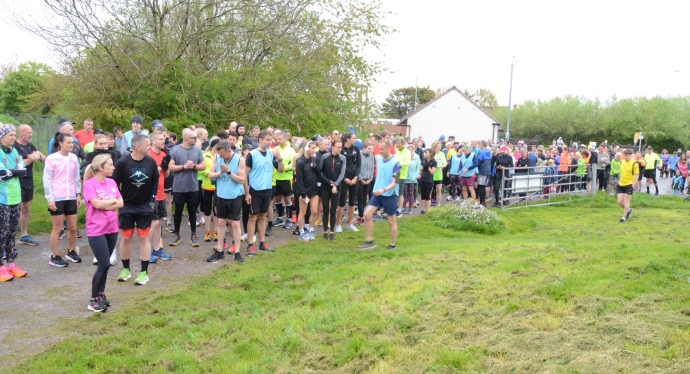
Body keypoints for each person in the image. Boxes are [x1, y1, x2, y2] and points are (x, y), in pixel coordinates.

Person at [112, 134, 160, 286]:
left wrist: (151, 201)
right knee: (125, 238)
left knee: (144, 238)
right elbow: (114, 184)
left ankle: (144, 273)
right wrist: (118, 201)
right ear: (138, 147)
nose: (150, 148)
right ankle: (126, 270)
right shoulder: (122, 162)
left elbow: (155, 182)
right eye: (147, 145)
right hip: (127, 206)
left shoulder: (151, 162)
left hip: (144, 207)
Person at [82, 154, 123, 312]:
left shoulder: (112, 182)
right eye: (110, 165)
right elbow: (96, 204)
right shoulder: (89, 185)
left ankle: (101, 295)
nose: (113, 168)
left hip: (112, 228)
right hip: (96, 229)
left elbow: (121, 202)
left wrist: (108, 204)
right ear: (100, 167)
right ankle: (93, 300)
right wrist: (111, 203)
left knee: (105, 266)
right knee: (104, 263)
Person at [44, 133, 82, 267]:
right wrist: (50, 199)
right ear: (60, 143)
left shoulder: (74, 158)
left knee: (73, 227)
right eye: (69, 142)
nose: (72, 145)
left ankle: (71, 251)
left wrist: (78, 194)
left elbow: (76, 177)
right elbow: (47, 179)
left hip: (71, 196)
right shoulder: (52, 159)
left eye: (73, 143)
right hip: (57, 197)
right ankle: (54, 256)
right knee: (58, 227)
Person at [244, 130, 283, 255]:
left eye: (271, 139)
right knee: (253, 217)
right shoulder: (253, 155)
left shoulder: (271, 154)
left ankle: (262, 242)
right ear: (260, 140)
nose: (270, 142)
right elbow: (244, 174)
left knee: (262, 216)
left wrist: (280, 159)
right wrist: (247, 193)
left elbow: (281, 171)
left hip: (268, 189)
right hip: (255, 190)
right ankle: (250, 244)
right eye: (267, 139)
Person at [206, 140, 246, 262]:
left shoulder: (240, 159)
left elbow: (241, 180)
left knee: (234, 223)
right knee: (221, 222)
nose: (221, 157)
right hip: (221, 195)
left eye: (223, 154)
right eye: (220, 154)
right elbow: (210, 175)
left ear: (229, 151)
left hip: (234, 196)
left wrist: (228, 172)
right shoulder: (217, 156)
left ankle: (237, 252)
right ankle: (219, 251)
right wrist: (221, 172)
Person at [358, 140, 401, 250]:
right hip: (377, 193)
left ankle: (392, 244)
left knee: (391, 221)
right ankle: (369, 241)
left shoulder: (396, 163)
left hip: (390, 194)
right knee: (367, 215)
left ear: (388, 148)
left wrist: (383, 190)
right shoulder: (378, 158)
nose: (380, 151)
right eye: (379, 149)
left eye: (382, 149)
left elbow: (395, 182)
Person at [0, 124, 29, 282]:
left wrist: (12, 171)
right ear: (2, 136)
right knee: (2, 232)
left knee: (12, 232)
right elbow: (2, 174)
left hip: (15, 196)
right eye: (11, 135)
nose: (14, 137)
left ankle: (11, 263)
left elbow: (23, 171)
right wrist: (13, 171)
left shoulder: (15, 151)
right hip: (2, 198)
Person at [168, 129, 205, 247]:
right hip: (179, 186)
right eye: (194, 137)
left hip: (193, 186)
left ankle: (193, 235)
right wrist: (183, 166)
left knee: (192, 211)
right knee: (178, 211)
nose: (196, 139)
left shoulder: (197, 150)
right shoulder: (175, 150)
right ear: (187, 139)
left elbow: (203, 166)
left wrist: (194, 166)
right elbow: (170, 167)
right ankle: (176, 234)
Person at [14, 124, 46, 246]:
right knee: (15, 208)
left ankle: (24, 235)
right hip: (17, 180)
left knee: (26, 208)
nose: (31, 134)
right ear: (20, 133)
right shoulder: (15, 146)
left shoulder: (30, 145)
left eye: (31, 132)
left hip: (29, 179)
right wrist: (31, 159)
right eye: (28, 132)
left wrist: (40, 156)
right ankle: (9, 236)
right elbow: (19, 164)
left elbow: (42, 157)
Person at [147, 132, 172, 261]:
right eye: (160, 139)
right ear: (153, 141)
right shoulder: (148, 155)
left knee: (160, 222)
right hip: (151, 194)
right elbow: (150, 174)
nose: (163, 141)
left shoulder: (163, 154)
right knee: (154, 222)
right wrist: (160, 167)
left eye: (164, 139)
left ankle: (157, 249)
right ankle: (145, 250)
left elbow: (165, 175)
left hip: (161, 193)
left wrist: (166, 168)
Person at [318, 138, 345, 240]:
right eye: (338, 147)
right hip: (325, 187)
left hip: (336, 187)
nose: (340, 149)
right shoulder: (325, 157)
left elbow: (342, 173)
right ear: (332, 147)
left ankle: (332, 232)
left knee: (333, 210)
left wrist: (335, 185)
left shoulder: (342, 158)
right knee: (325, 210)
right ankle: (325, 231)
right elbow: (321, 171)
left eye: (341, 147)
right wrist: (329, 182)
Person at [294, 141, 319, 241]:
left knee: (314, 211)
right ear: (307, 148)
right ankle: (301, 232)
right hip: (304, 191)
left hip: (314, 190)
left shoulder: (313, 159)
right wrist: (303, 194)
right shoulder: (300, 161)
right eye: (312, 148)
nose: (314, 150)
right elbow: (299, 179)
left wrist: (315, 166)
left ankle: (311, 230)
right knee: (303, 212)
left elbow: (319, 172)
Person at [271, 130, 296, 230]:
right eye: (277, 139)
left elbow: (293, 165)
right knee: (277, 199)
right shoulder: (275, 149)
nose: (278, 141)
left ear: (285, 139)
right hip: (276, 178)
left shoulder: (291, 150)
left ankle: (289, 219)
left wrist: (283, 167)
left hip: (286, 178)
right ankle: (280, 217)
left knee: (287, 199)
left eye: (280, 139)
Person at [336, 132, 361, 231]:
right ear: (348, 139)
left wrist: (356, 177)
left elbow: (359, 165)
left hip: (354, 179)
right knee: (341, 202)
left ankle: (350, 224)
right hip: (343, 179)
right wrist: (344, 178)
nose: (355, 140)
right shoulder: (341, 149)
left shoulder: (356, 149)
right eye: (354, 138)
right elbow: (338, 166)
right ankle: (338, 224)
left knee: (352, 201)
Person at [618, 149, 639, 223]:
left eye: (626, 155)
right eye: (624, 155)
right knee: (620, 201)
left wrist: (633, 185)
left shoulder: (634, 164)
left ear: (630, 155)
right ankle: (629, 210)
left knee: (626, 201)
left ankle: (623, 217)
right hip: (621, 184)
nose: (625, 157)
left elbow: (637, 176)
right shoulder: (622, 162)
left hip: (629, 184)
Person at [357, 140, 375, 223]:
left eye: (372, 148)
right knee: (360, 198)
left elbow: (372, 168)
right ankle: (361, 215)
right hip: (360, 179)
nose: (371, 150)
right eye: (369, 148)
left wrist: (370, 179)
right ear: (363, 148)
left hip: (368, 180)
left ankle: (364, 214)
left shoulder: (371, 156)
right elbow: (358, 168)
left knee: (365, 197)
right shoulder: (359, 155)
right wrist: (361, 179)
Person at [393, 138, 410, 217]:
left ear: (403, 144)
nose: (398, 147)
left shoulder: (407, 152)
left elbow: (407, 163)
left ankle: (399, 209)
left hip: (402, 175)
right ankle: (393, 208)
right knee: (393, 192)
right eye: (397, 145)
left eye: (400, 145)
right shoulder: (395, 150)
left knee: (400, 193)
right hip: (394, 174)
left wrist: (398, 163)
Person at [403, 143, 420, 213]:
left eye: (411, 149)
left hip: (413, 179)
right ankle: (404, 207)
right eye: (408, 149)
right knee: (404, 194)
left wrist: (415, 176)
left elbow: (418, 168)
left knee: (411, 193)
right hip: (405, 178)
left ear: (414, 149)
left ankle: (410, 208)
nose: (410, 150)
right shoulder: (405, 156)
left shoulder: (417, 157)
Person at [419, 148, 437, 214]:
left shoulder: (434, 162)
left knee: (427, 195)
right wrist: (423, 166)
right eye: (425, 153)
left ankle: (428, 210)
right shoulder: (423, 160)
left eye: (426, 153)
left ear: (431, 154)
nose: (425, 154)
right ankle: (422, 210)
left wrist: (429, 166)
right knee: (422, 195)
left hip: (429, 180)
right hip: (422, 179)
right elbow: (421, 169)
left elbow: (432, 172)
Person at [476, 141, 492, 206]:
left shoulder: (482, 152)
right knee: (483, 187)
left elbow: (478, 162)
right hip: (487, 171)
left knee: (480, 187)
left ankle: (482, 202)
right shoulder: (489, 152)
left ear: (482, 145)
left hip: (482, 172)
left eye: (479, 144)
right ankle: (483, 202)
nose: (479, 146)